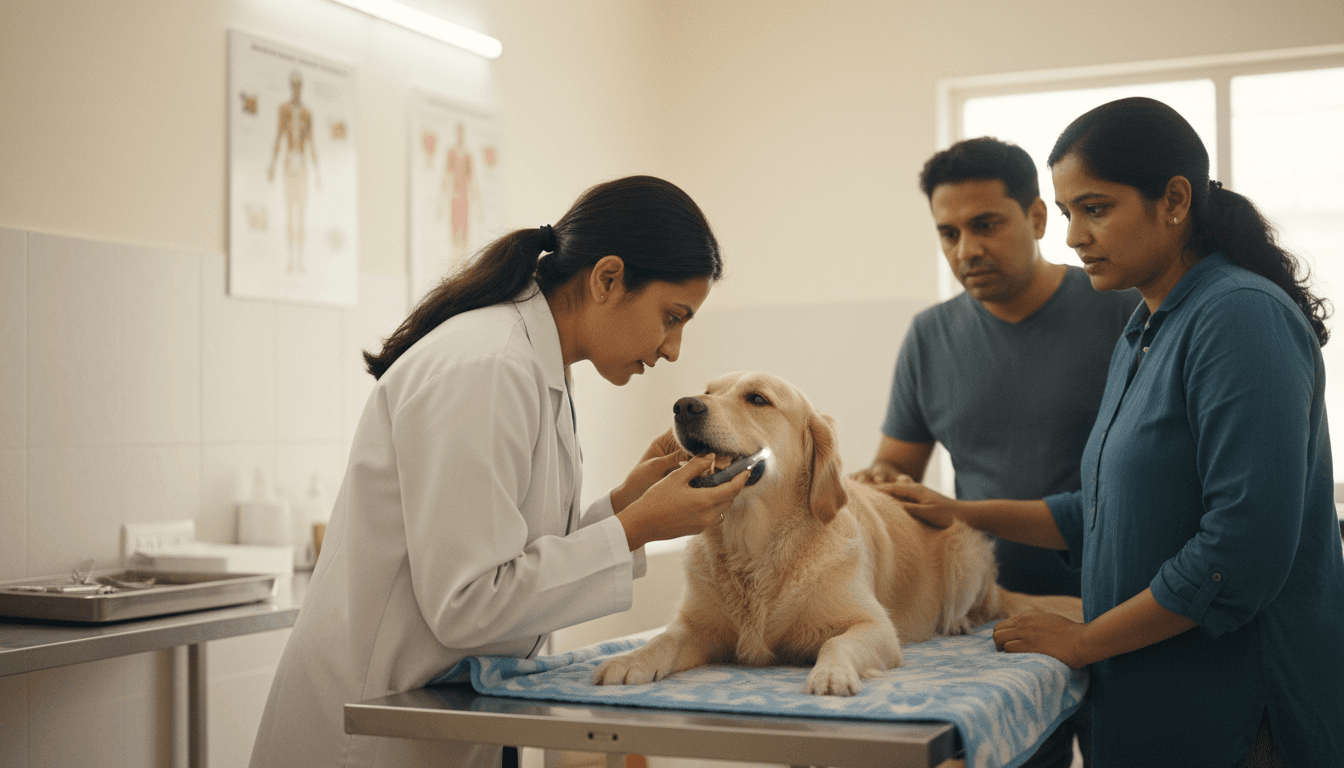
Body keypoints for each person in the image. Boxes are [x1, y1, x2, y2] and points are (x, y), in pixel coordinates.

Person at [887, 97, 1344, 767]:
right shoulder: (1145, 328)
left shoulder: (1237, 316)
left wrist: (1084, 640)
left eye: (1095, 209)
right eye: (1070, 213)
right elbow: (1098, 511)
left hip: (1237, 711)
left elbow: (1239, 552)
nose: (1073, 236)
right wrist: (957, 511)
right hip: (1150, 702)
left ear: (1175, 200)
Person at [249, 175, 750, 768]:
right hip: (365, 734)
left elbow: (515, 558)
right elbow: (469, 602)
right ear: (607, 279)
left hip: (432, 721)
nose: (673, 349)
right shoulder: (488, 366)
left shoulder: (538, 366)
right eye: (672, 317)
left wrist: (623, 506)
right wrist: (635, 527)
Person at [854, 137, 1139, 766]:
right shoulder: (931, 336)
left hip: (1122, 612)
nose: (966, 250)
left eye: (985, 225)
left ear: (1037, 218)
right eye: (948, 232)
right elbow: (896, 468)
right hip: (990, 621)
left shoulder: (1122, 308)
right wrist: (876, 483)